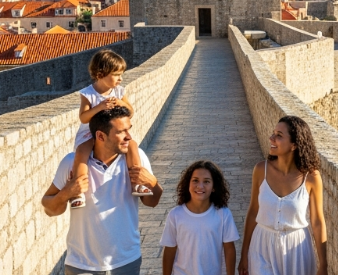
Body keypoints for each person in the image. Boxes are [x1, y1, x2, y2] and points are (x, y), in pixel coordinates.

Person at [41, 106, 163, 274]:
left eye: (129, 129)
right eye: (121, 132)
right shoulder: (71, 163)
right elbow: (49, 209)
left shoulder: (138, 158)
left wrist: (153, 183)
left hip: (126, 261)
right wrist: (66, 193)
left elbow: (152, 202)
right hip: (81, 265)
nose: (129, 137)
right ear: (100, 136)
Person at [239, 116, 328, 275]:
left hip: (297, 251)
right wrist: (244, 253)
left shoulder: (312, 177)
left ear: (294, 145)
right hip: (262, 246)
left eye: (279, 135)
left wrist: (324, 265)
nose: (271, 138)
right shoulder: (261, 170)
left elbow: (317, 222)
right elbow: (253, 212)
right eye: (273, 133)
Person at [69, 49, 150, 209]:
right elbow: (83, 117)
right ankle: (78, 190)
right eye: (116, 75)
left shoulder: (119, 92)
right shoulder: (88, 94)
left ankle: (136, 183)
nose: (120, 79)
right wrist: (99, 107)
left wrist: (122, 104)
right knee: (82, 152)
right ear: (100, 74)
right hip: (90, 132)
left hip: (115, 132)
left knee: (132, 146)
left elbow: (131, 112)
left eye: (121, 74)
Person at [160, 160, 239, 275]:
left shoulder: (223, 214)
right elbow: (169, 250)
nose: (200, 186)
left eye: (206, 181)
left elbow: (229, 249)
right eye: (195, 180)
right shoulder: (175, 215)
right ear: (188, 184)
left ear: (214, 187)